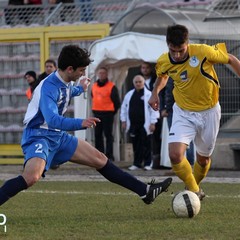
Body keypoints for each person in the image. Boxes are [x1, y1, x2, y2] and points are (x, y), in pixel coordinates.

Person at [0, 45, 172, 207]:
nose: (83, 73)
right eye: (81, 70)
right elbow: (52, 119)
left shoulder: (63, 81)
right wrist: (80, 123)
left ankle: (145, 191)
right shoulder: (48, 88)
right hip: (39, 135)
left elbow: (67, 92)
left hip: (58, 136)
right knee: (31, 177)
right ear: (69, 69)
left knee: (100, 160)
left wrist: (80, 89)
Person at [148, 24, 240, 200]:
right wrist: (155, 94)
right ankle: (194, 191)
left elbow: (231, 59)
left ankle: (192, 189)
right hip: (183, 112)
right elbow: (163, 76)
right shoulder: (163, 61)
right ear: (167, 44)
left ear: (187, 43)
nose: (176, 54)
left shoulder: (203, 51)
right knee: (175, 154)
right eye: (172, 50)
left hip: (210, 112)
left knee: (203, 160)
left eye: (180, 50)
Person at [120, 75, 159, 171]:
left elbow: (154, 110)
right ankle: (136, 163)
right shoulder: (129, 95)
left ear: (143, 82)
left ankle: (148, 163)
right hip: (133, 124)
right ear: (134, 83)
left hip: (146, 124)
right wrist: (123, 120)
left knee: (147, 144)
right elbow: (124, 108)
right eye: (136, 82)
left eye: (140, 82)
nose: (138, 83)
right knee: (136, 144)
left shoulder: (149, 94)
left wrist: (153, 122)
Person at [160, 77, 195, 165]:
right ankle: (178, 165)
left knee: (187, 137)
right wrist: (163, 108)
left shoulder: (188, 72)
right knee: (174, 138)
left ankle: (190, 164)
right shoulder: (166, 74)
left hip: (185, 110)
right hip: (171, 111)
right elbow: (162, 92)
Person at [91, 67, 120, 162]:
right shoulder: (94, 86)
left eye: (103, 73)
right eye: (100, 73)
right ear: (98, 74)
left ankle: (109, 155)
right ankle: (99, 155)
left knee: (108, 135)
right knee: (97, 135)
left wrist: (111, 112)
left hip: (108, 114)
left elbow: (117, 102)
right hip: (96, 113)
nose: (102, 75)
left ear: (107, 74)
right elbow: (93, 97)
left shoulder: (111, 86)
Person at [140, 62, 162, 169]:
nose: (145, 70)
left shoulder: (156, 81)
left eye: (147, 68)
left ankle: (156, 161)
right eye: (143, 68)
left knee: (156, 137)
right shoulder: (139, 82)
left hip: (156, 111)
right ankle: (144, 160)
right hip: (143, 115)